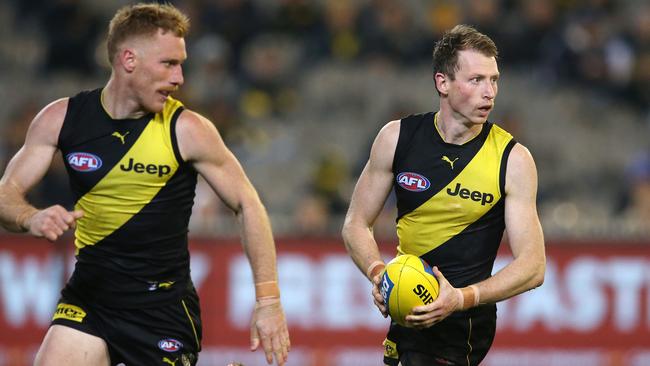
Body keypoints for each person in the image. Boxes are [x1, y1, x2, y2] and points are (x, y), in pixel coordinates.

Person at [0, 3, 289, 366]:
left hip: (162, 310)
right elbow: (5, 195)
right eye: (169, 63)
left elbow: (248, 204)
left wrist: (268, 302)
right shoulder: (61, 119)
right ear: (128, 60)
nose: (180, 78)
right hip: (90, 299)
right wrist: (30, 218)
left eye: (181, 64)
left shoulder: (188, 130)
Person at [342, 24, 545, 366]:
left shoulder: (513, 159)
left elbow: (533, 266)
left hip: (463, 325)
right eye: (476, 80)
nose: (489, 93)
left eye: (494, 80)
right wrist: (380, 275)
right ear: (443, 83)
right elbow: (355, 224)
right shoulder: (397, 138)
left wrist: (463, 298)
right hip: (405, 314)